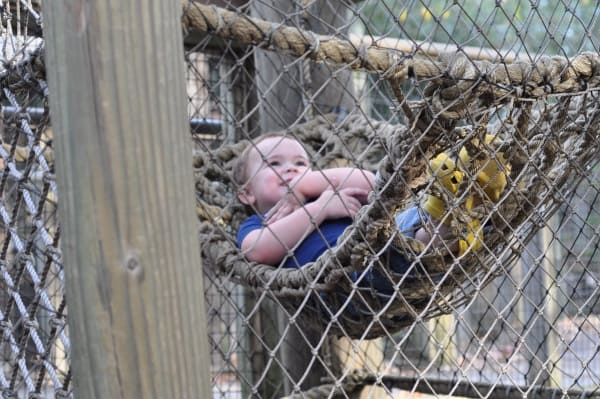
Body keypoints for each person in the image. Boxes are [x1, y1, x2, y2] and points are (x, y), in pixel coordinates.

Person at [233, 133, 508, 295]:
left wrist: (308, 185)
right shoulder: (261, 222)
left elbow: (370, 183)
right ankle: (452, 209)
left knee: (408, 221)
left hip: (390, 238)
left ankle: (464, 197)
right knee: (398, 254)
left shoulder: (323, 191)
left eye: (301, 164)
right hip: (351, 279)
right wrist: (320, 209)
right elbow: (257, 250)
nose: (290, 169)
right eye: (273, 164)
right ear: (247, 193)